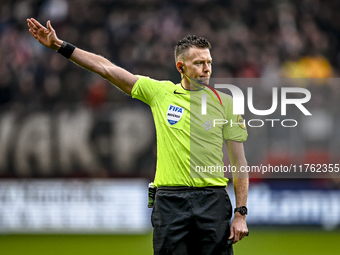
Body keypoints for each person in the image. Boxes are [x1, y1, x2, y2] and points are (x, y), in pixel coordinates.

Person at [27, 18, 249, 255]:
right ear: (180, 67)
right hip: (170, 202)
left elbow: (239, 163)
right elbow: (105, 68)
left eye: (209, 62)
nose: (206, 69)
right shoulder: (160, 93)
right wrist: (61, 46)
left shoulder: (226, 103)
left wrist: (240, 213)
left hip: (213, 201)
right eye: (199, 63)